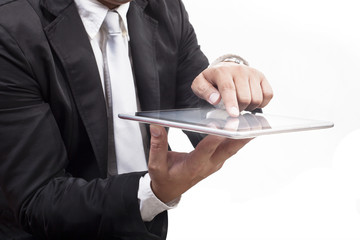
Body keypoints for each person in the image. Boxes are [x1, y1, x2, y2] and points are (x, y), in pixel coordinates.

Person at [0, 0, 273, 239]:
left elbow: (204, 110)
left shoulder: (166, 8)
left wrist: (233, 78)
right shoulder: (11, 27)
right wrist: (150, 193)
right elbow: (36, 199)